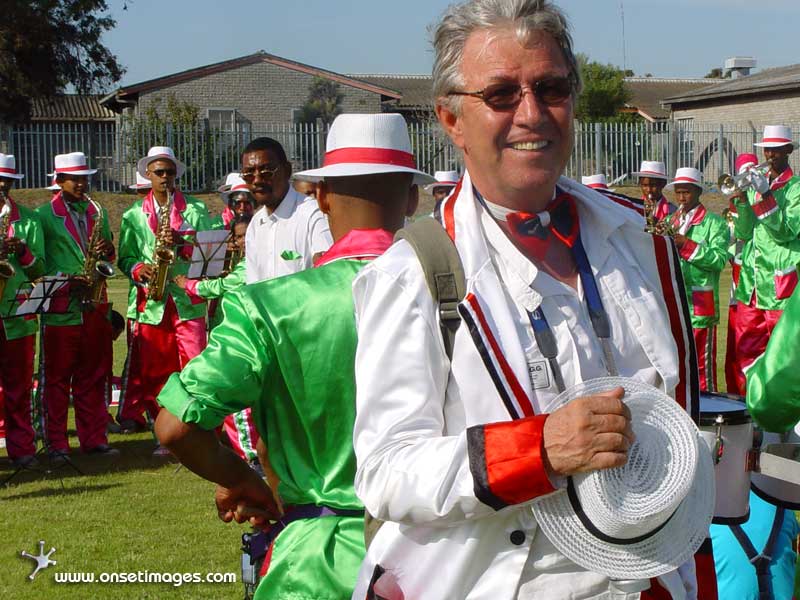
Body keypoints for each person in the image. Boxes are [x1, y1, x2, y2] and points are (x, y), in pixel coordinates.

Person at [349, 2, 706, 598]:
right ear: (451, 119)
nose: (532, 113)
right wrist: (538, 448)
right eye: (500, 95)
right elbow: (386, 472)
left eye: (551, 88)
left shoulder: (642, 244)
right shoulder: (413, 273)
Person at [155, 113, 428, 600]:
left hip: (317, 562)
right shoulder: (465, 296)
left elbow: (175, 426)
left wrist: (244, 479)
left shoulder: (268, 306)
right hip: (438, 558)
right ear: (412, 198)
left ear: (320, 197)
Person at [117, 146, 212, 451]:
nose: (165, 178)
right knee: (156, 370)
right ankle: (165, 432)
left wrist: (184, 243)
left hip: (186, 298)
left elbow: (210, 253)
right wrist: (138, 267)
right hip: (152, 301)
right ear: (148, 175)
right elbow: (125, 257)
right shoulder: (133, 214)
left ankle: (198, 429)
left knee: (196, 364)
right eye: (159, 173)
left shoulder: (195, 210)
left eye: (170, 172)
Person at [35, 151, 118, 460]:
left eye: (85, 178)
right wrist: (66, 279)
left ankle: (94, 438)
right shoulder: (43, 216)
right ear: (59, 181)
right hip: (62, 306)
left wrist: (108, 250)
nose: (82, 184)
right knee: (57, 380)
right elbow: (39, 264)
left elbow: (108, 255)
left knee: (94, 375)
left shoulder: (99, 212)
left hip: (95, 302)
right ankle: (56, 444)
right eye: (75, 179)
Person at [174, 214, 258, 466]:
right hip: (232, 329)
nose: (240, 242)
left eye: (245, 236)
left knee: (238, 404)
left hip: (242, 335)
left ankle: (249, 455)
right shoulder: (247, 260)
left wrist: (188, 284)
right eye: (237, 237)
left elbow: (223, 287)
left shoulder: (251, 263)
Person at [731, 125, 800, 387]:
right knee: (746, 350)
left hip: (779, 283)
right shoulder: (755, 184)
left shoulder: (796, 188)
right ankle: (751, 411)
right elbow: (745, 232)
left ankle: (783, 418)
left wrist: (766, 195)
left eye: (776, 150)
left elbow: (786, 232)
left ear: (789, 151)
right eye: (767, 149)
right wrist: (741, 199)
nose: (770, 155)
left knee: (784, 352)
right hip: (751, 284)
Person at [664, 168, 728, 392]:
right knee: (676, 363)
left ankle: (707, 415)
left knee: (702, 366)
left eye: (686, 192)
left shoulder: (715, 223)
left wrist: (686, 245)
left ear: (698, 192)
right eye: (678, 193)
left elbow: (719, 260)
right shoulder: (670, 220)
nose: (681, 198)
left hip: (701, 302)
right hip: (675, 301)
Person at [0, 154, 45, 468]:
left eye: (7, 182)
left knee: (18, 387)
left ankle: (22, 448)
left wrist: (23, 252)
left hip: (18, 315)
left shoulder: (29, 219)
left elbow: (40, 270)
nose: (3, 187)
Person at [240, 137, 331, 283]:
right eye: (249, 174)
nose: (257, 180)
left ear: (287, 171)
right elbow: (254, 285)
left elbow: (328, 277)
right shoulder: (256, 225)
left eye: (266, 172)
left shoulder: (313, 215)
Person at [724, 154, 758, 395]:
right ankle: (736, 393)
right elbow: (731, 242)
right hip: (738, 279)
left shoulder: (762, 200)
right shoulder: (731, 208)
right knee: (736, 342)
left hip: (758, 279)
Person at [633, 160, 677, 226]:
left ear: (663, 184)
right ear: (640, 184)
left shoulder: (672, 210)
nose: (649, 190)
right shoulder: (635, 207)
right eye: (645, 185)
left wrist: (651, 219)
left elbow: (670, 234)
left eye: (653, 185)